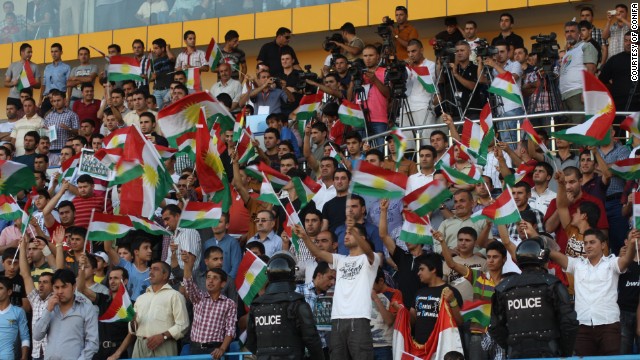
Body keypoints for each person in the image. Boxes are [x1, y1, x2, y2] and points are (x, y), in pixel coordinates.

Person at [296, 218, 380, 359]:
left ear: (362, 238)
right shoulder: (340, 259)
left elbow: (368, 250)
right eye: (346, 233)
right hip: (337, 320)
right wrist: (305, 237)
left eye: (351, 233)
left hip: (358, 318)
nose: (346, 236)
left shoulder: (371, 259)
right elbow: (318, 253)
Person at [550, 229, 636, 356]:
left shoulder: (611, 263)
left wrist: (632, 244)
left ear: (603, 245)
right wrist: (533, 235)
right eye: (585, 243)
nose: (588, 246)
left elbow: (627, 260)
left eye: (592, 242)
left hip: (609, 325)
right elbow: (553, 254)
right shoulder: (577, 264)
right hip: (582, 327)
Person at [490, 237, 577, 358]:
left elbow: (495, 327)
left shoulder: (504, 287)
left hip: (516, 354)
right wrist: (564, 352)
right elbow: (569, 322)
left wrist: (511, 346)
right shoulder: (553, 284)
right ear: (543, 259)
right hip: (550, 353)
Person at [246, 252, 324, 360]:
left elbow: (251, 342)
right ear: (292, 274)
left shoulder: (257, 305)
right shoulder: (297, 302)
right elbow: (312, 339)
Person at [33, 269, 99, 359]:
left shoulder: (86, 309)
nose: (60, 291)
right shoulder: (49, 308)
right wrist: (48, 310)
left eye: (64, 287)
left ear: (74, 287)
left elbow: (92, 343)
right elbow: (37, 336)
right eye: (56, 287)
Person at [128, 261, 189, 357]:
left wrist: (163, 336)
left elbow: (183, 325)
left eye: (155, 269)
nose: (151, 272)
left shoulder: (175, 295)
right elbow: (132, 329)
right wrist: (132, 323)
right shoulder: (141, 298)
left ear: (165, 275)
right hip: (140, 345)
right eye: (150, 269)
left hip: (164, 344)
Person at [182, 252, 236, 358]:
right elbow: (188, 283)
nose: (210, 281)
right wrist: (187, 265)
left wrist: (222, 348)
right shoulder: (199, 298)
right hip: (195, 348)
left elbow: (231, 329)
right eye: (208, 277)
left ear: (223, 284)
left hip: (215, 350)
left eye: (215, 278)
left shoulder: (229, 304)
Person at [558, 21, 598, 124]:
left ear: (579, 33)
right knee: (571, 130)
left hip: (578, 92)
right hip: (566, 95)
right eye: (567, 32)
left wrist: (586, 91)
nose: (569, 34)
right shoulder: (568, 51)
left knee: (579, 127)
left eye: (572, 31)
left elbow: (591, 69)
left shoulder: (586, 46)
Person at [0, 276, 30, 360]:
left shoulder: (19, 312)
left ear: (9, 292)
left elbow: (25, 337)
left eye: (1, 288)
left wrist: (24, 357)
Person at [4, 43, 41, 108]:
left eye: (31, 52)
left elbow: (38, 85)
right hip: (13, 98)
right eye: (28, 52)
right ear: (22, 52)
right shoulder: (13, 65)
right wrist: (13, 83)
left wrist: (30, 82)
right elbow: (5, 83)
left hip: (27, 99)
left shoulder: (34, 66)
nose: (30, 54)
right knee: (12, 117)